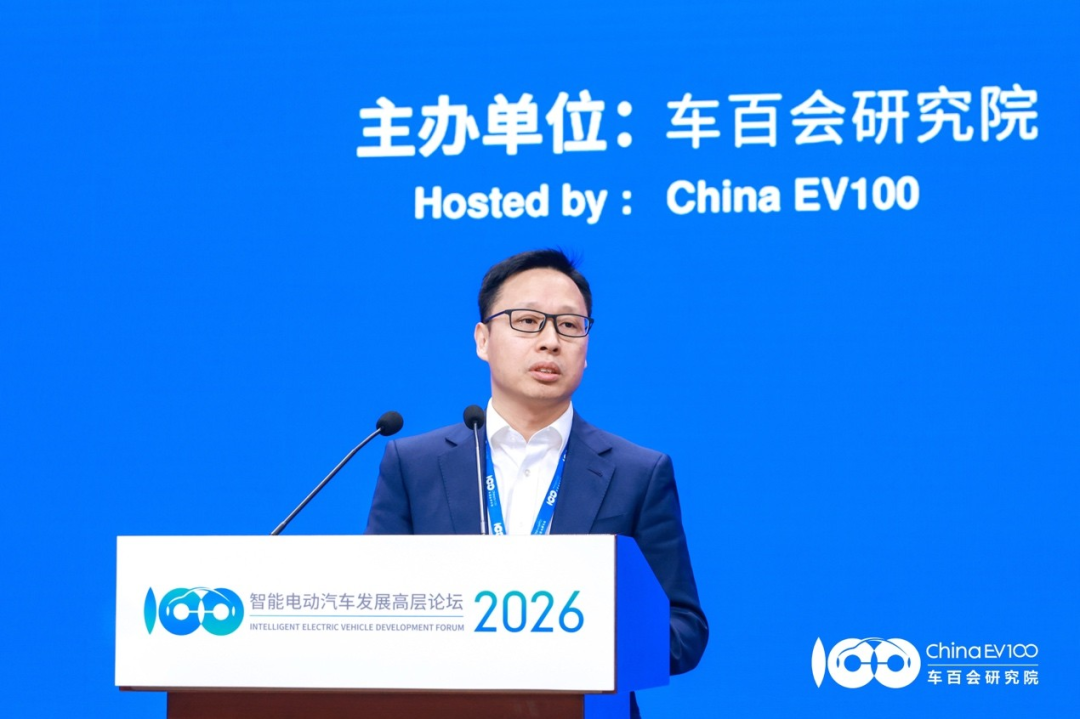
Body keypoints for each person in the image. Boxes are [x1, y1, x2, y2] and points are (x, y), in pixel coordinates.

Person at [365, 249, 708, 704]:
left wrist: (586, 639)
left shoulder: (638, 473)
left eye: (569, 325)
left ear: (586, 348)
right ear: (483, 340)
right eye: (527, 321)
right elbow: (375, 607)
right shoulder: (413, 465)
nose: (550, 341)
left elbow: (684, 628)